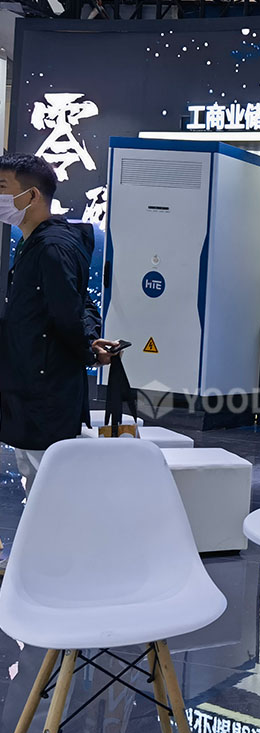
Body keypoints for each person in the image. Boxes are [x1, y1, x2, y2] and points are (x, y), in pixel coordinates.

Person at [0, 153, 121, 495]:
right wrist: (90, 340)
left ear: (32, 195)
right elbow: (76, 301)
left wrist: (87, 348)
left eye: (3, 188)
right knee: (36, 475)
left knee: (52, 481)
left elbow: (67, 312)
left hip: (45, 389)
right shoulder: (37, 242)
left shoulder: (52, 247)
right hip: (29, 383)